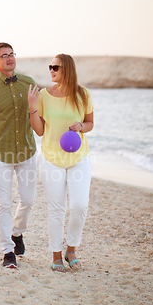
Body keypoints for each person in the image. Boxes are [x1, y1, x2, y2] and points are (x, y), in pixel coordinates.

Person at [27, 54, 94, 272]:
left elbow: (90, 123)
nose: (51, 70)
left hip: (79, 158)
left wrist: (81, 127)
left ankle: (71, 250)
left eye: (56, 67)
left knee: (79, 206)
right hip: (51, 158)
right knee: (56, 208)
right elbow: (39, 130)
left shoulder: (82, 94)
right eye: (50, 67)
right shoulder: (44, 95)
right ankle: (56, 255)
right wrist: (32, 106)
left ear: (67, 69)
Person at [0, 42, 38, 269]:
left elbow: (37, 114)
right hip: (0, 154)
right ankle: (7, 251)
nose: (10, 58)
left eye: (12, 54)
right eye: (4, 56)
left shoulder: (29, 83)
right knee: (3, 204)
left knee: (29, 199)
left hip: (27, 151)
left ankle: (17, 233)